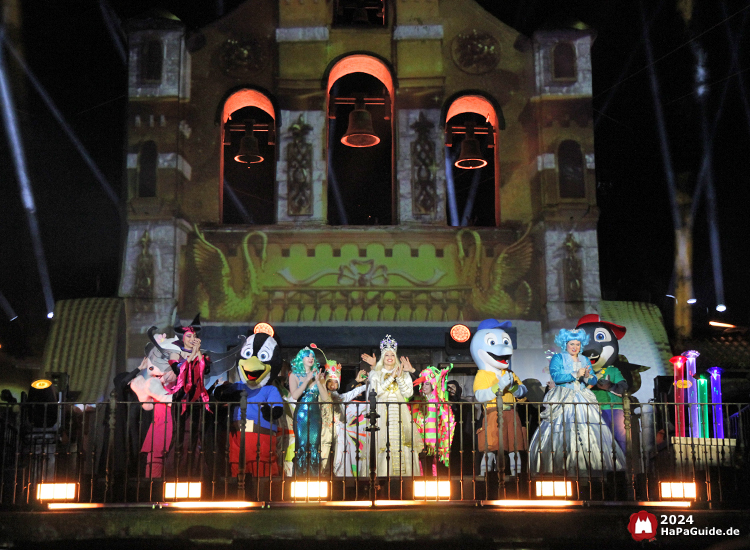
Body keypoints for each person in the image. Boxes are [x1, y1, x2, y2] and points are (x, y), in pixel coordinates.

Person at [529, 328, 626, 477]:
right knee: (564, 431)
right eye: (572, 344)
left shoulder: (584, 359)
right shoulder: (558, 358)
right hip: (564, 397)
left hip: (581, 396)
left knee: (588, 431)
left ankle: (588, 467)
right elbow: (556, 376)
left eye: (578, 344)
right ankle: (563, 466)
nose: (575, 347)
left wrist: (588, 376)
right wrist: (575, 374)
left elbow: (593, 379)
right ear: (565, 344)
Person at [363, 335, 424, 476]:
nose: (389, 357)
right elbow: (375, 392)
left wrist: (399, 377)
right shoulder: (375, 374)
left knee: (402, 444)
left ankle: (405, 478)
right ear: (382, 358)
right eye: (386, 355)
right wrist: (391, 377)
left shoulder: (403, 374)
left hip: (399, 414)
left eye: (392, 354)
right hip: (381, 414)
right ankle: (383, 477)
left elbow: (408, 393)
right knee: (382, 445)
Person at [317, 356, 369, 475]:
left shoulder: (339, 397)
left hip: (339, 431)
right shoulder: (322, 395)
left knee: (339, 456)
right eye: (330, 381)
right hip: (325, 431)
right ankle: (324, 477)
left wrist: (367, 384)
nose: (333, 385)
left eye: (336, 382)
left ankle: (338, 477)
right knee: (325, 456)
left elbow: (352, 393)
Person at [289, 347, 329, 476]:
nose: (311, 358)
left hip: (315, 415)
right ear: (301, 359)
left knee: (314, 446)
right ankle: (300, 477)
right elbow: (295, 396)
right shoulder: (294, 375)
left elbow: (325, 398)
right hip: (301, 414)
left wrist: (318, 380)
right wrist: (307, 379)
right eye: (307, 356)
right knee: (301, 445)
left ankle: (314, 477)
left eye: (312, 356)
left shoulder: (318, 375)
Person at [411, 365, 456, 476]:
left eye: (427, 383)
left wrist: (414, 370)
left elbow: (436, 378)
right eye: (422, 384)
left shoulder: (436, 398)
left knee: (435, 465)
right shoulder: (418, 400)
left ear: (432, 384)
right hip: (421, 438)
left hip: (434, 439)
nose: (424, 386)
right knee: (421, 464)